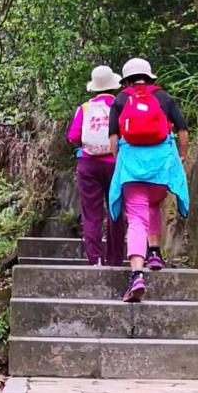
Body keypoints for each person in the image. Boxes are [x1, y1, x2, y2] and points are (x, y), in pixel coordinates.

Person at [107, 57, 189, 302]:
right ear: (149, 76)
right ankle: (154, 252)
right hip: (161, 167)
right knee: (154, 206)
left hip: (132, 169)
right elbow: (182, 129)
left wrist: (121, 159)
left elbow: (113, 138)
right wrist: (182, 157)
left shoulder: (121, 100)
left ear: (126, 80)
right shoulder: (163, 97)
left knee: (136, 219)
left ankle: (136, 275)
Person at [66, 65, 127, 267]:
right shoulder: (120, 105)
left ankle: (95, 259)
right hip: (115, 163)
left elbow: (73, 136)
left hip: (88, 164)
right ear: (113, 86)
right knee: (115, 210)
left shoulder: (84, 108)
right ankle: (115, 259)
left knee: (92, 213)